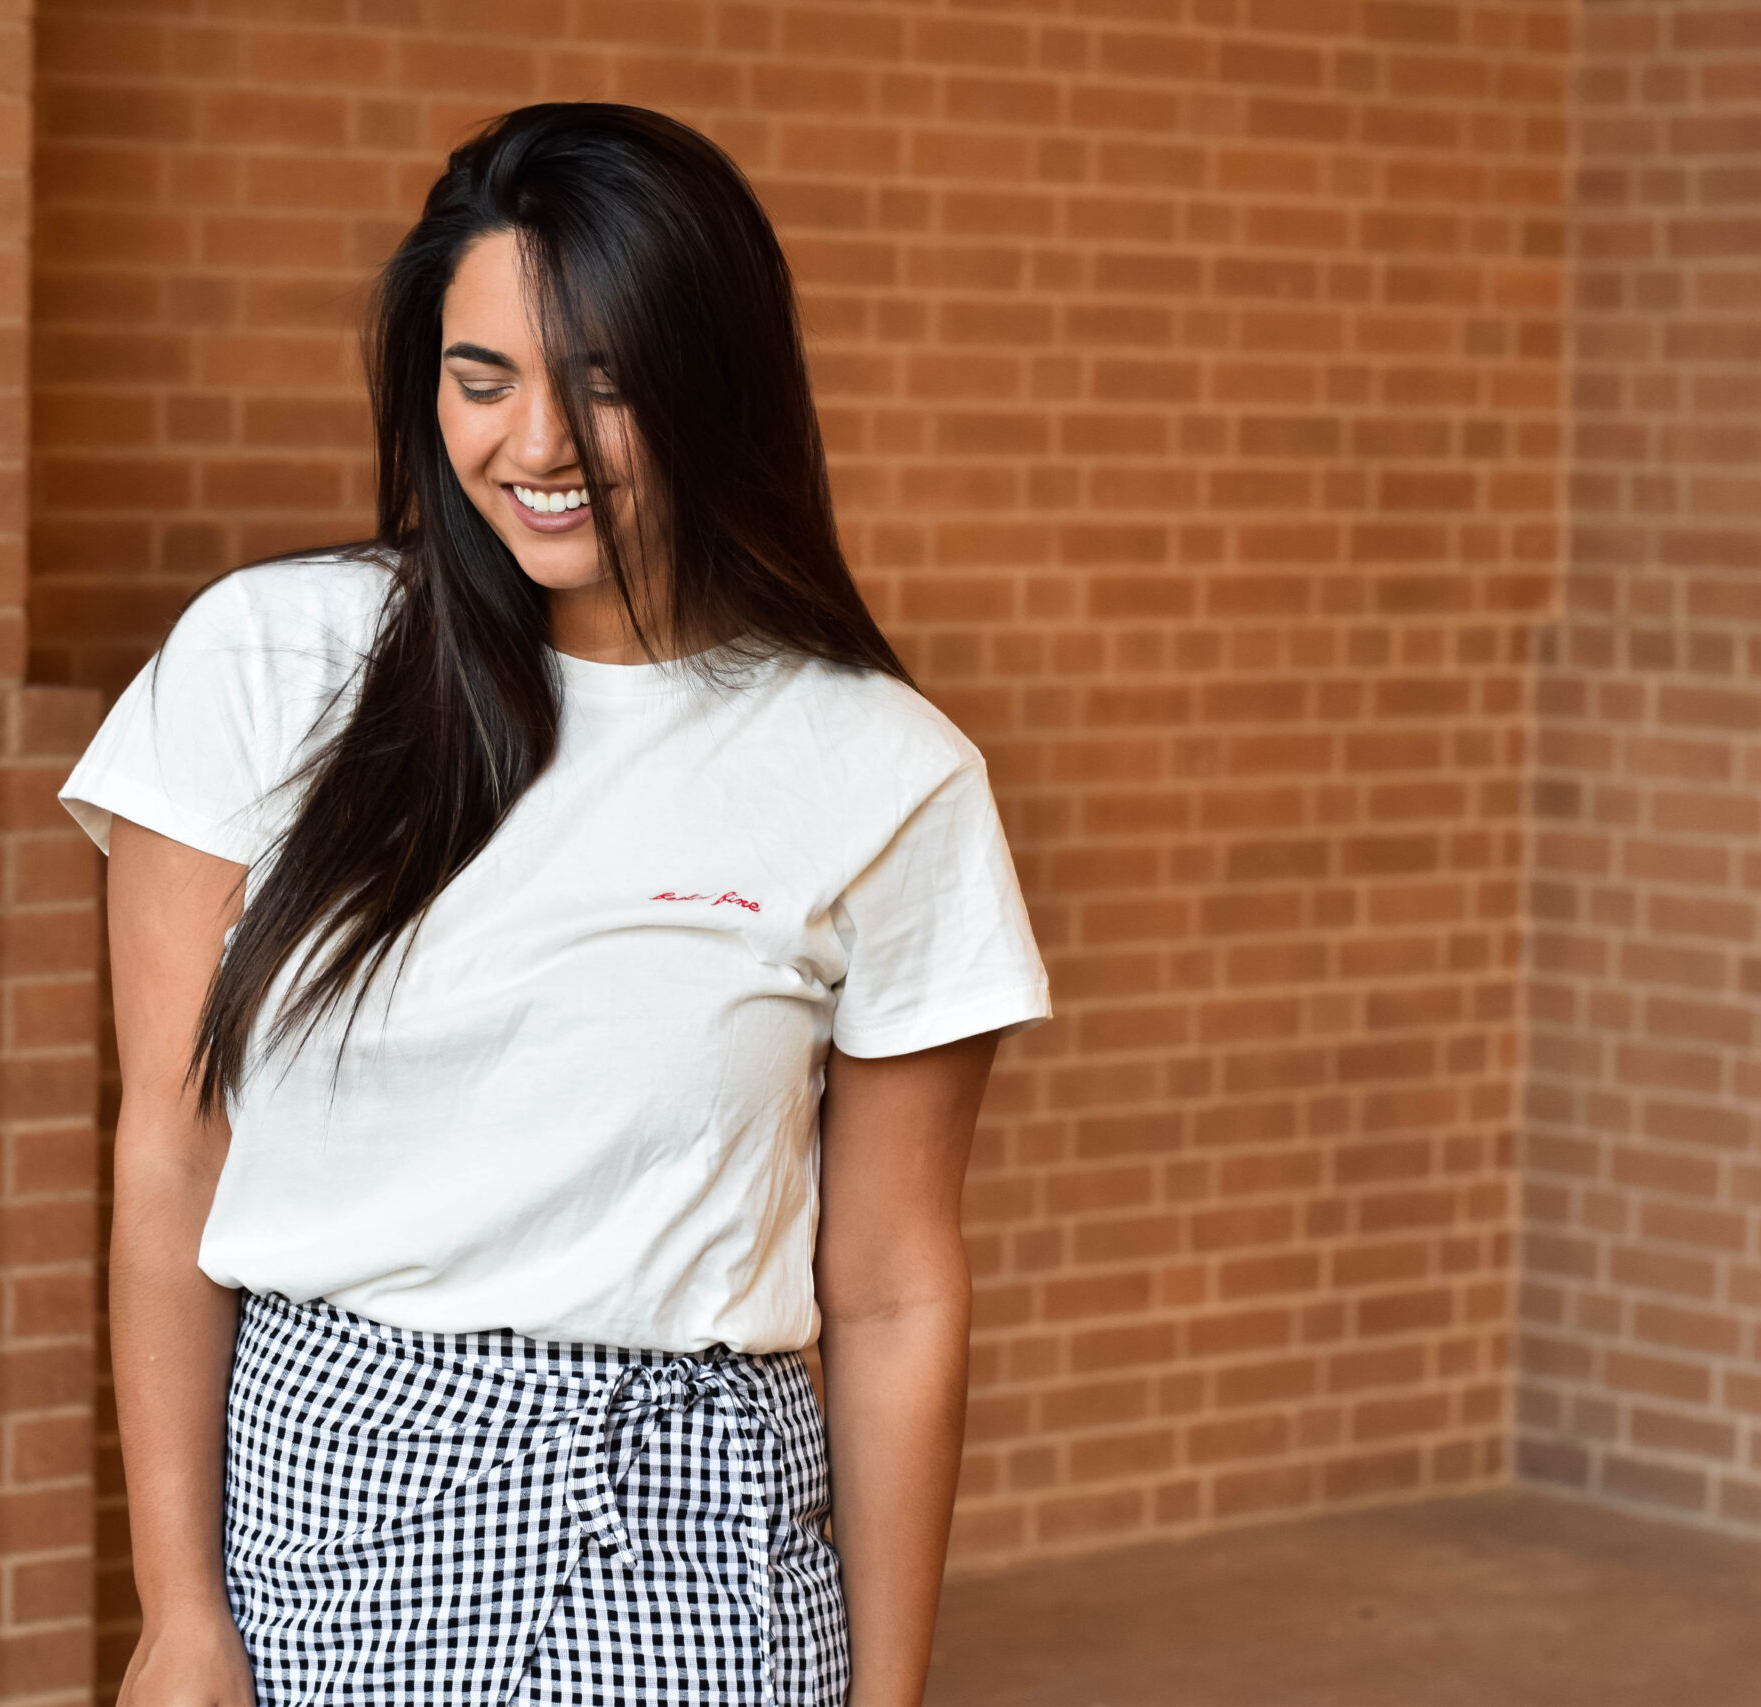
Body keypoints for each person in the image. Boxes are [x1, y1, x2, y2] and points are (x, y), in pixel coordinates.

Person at [60, 102, 1050, 1707]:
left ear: (714, 380)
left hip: (697, 1556)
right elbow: (174, 1157)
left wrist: (889, 1698)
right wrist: (180, 1611)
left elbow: (891, 1286)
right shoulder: (263, 665)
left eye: (605, 380)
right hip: (319, 1528)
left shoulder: (883, 771)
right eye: (483, 377)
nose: (536, 447)